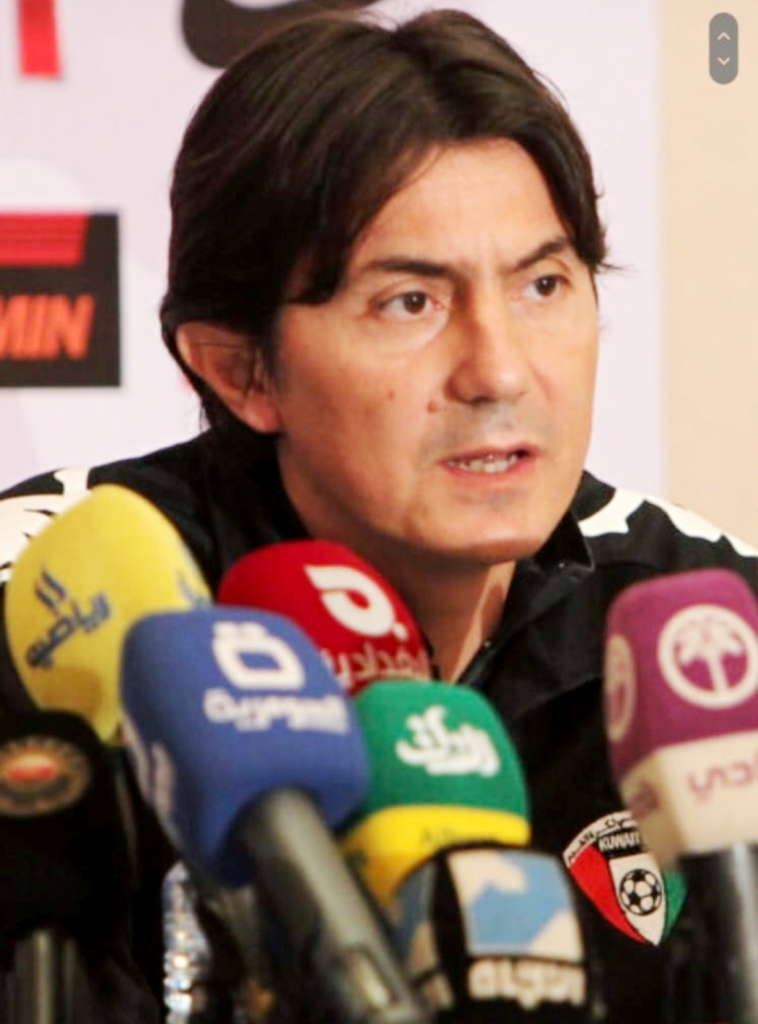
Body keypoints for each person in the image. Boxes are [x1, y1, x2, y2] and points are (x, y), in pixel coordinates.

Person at [0, 7, 756, 1022]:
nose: (499, 370)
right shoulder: (57, 620)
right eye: (411, 302)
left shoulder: (702, 630)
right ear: (240, 370)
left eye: (542, 284)